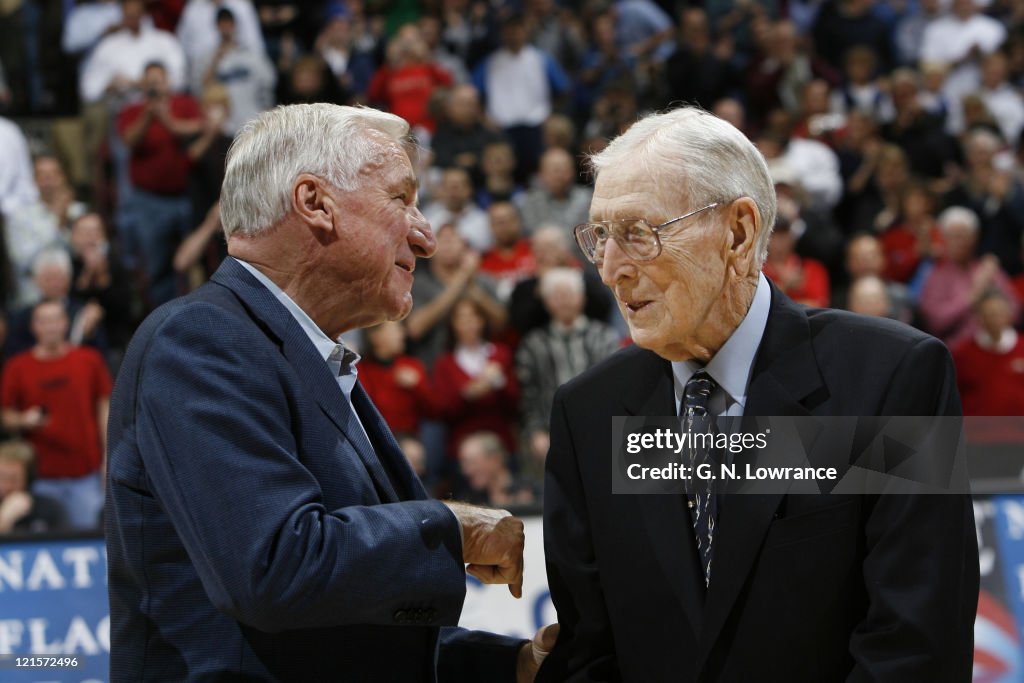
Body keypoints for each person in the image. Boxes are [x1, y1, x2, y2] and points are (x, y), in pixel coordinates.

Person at [105, 103, 553, 681]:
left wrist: (514, 665)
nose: (426, 237)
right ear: (315, 203)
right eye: (401, 198)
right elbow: (275, 569)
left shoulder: (302, 354)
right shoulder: (200, 340)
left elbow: (350, 636)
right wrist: (452, 526)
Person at [538, 106, 978, 682]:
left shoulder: (890, 379)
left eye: (638, 233)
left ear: (739, 234)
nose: (611, 268)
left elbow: (918, 643)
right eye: (600, 238)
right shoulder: (587, 414)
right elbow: (587, 655)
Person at [1, 299, 111, 530]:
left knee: (88, 535)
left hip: (86, 475)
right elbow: (4, 416)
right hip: (40, 479)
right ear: (34, 326)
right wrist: (23, 419)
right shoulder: (17, 367)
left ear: (65, 323)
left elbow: (104, 408)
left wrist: (108, 458)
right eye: (44, 321)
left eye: (55, 320)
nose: (50, 326)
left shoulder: (88, 359)